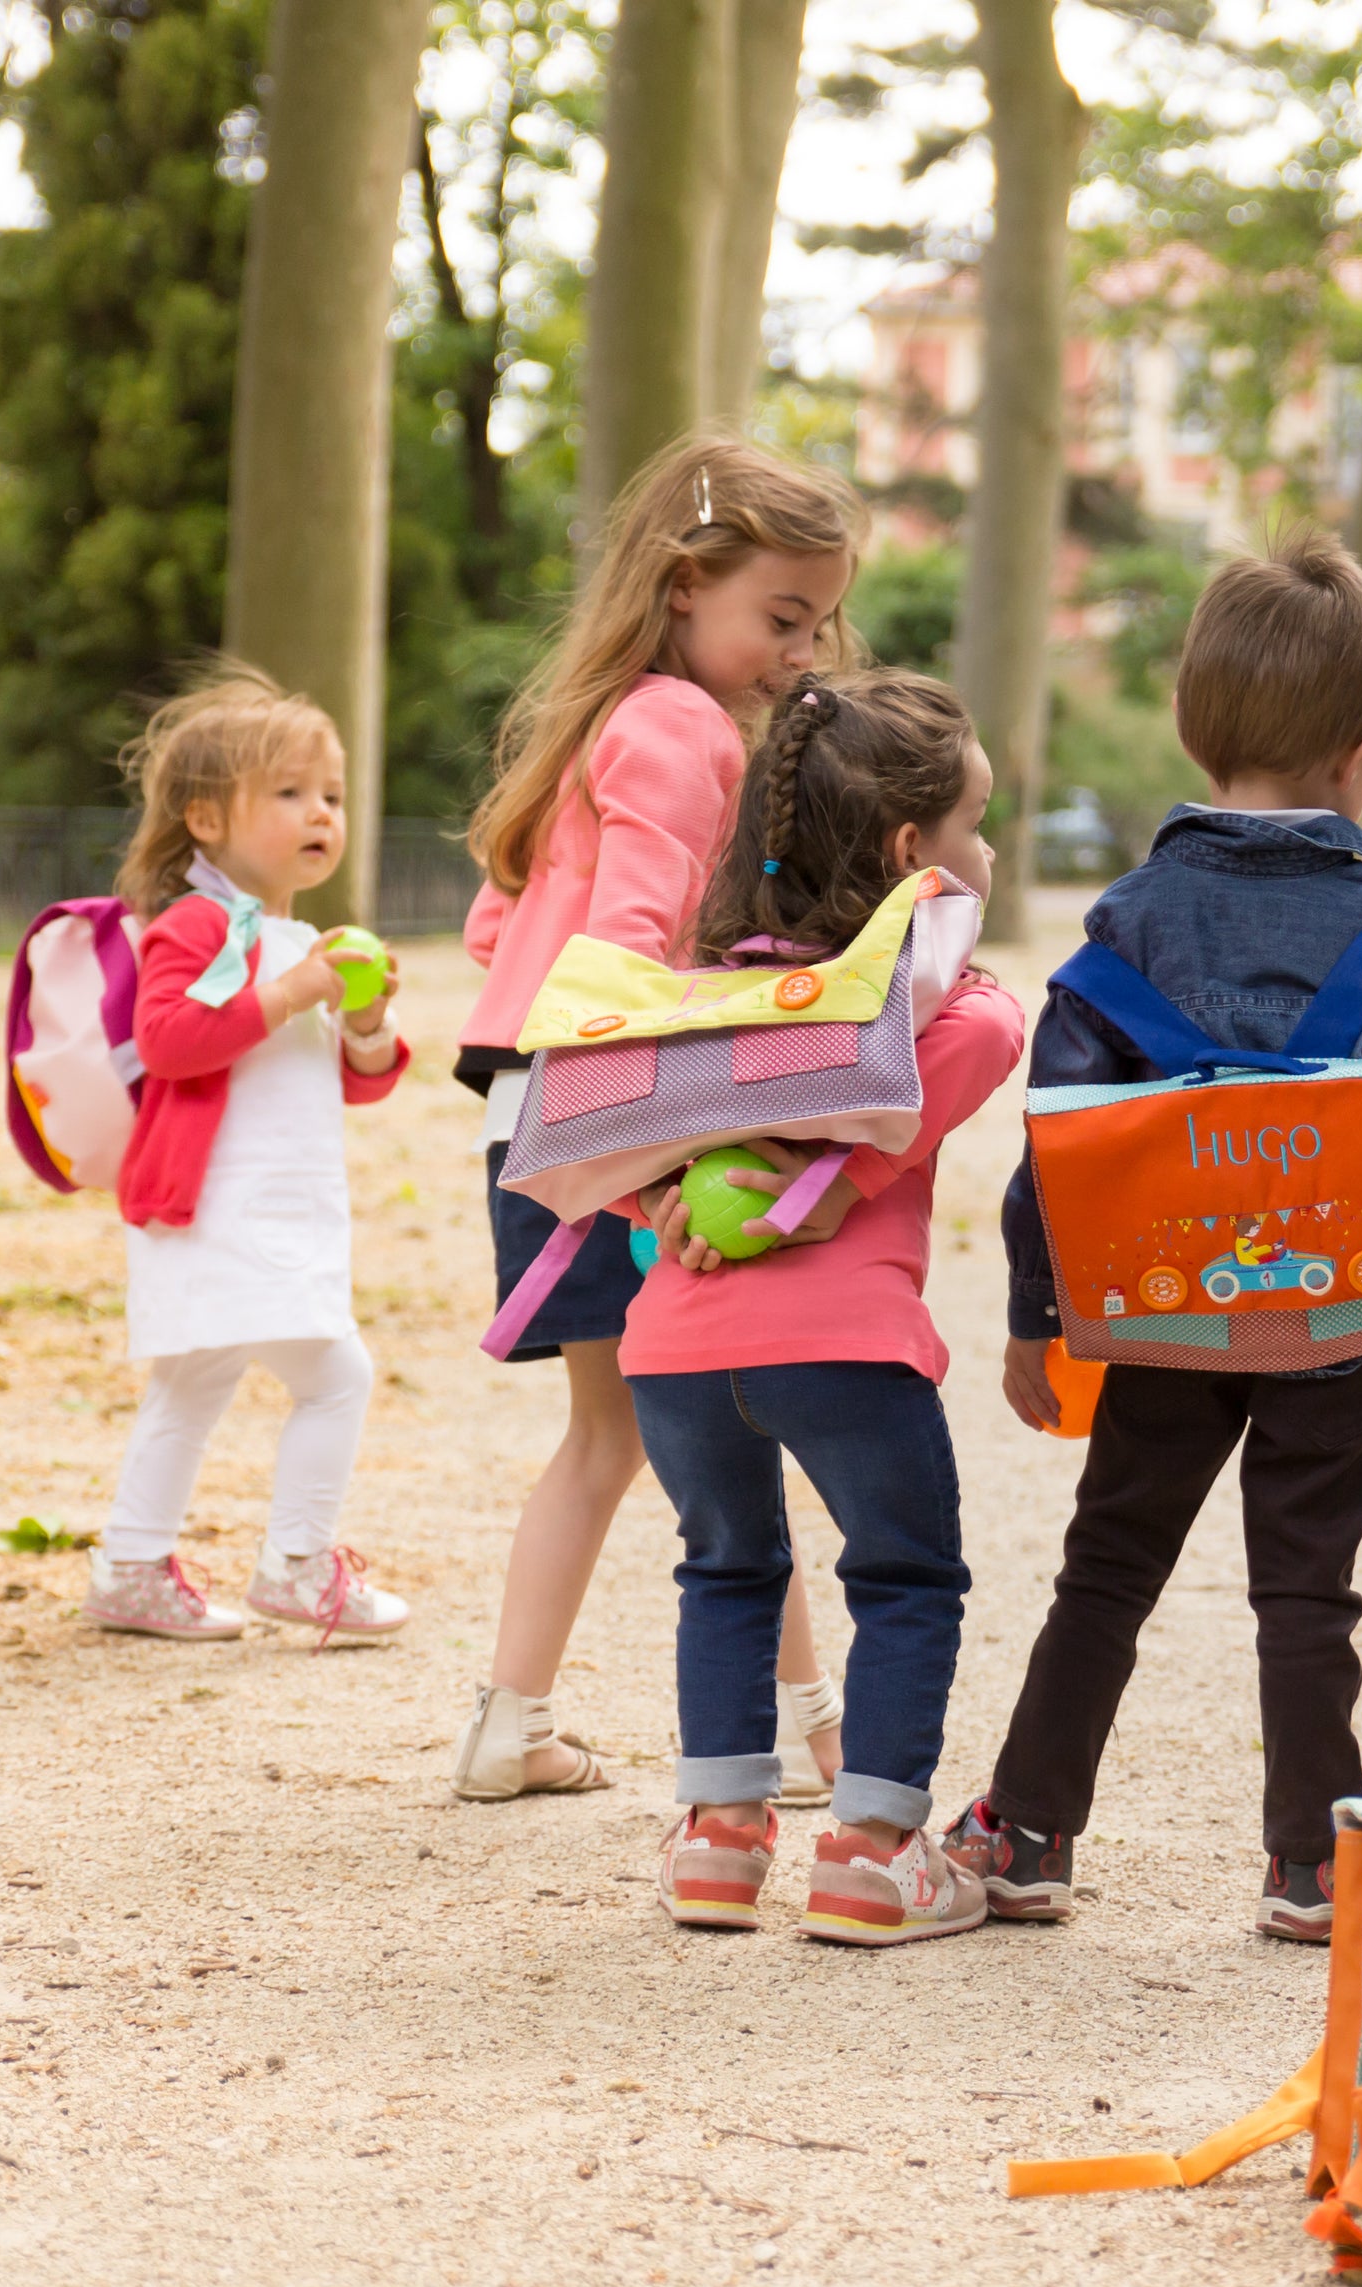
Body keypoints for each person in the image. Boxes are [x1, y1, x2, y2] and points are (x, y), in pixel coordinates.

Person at [952, 533, 1362, 1942]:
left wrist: (1039, 1316)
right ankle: (1315, 1864)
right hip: (1339, 1312)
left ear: (1197, 732)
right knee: (1308, 1587)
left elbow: (1055, 1139)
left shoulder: (1132, 921)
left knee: (1110, 1569)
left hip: (1160, 1313)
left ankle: (1027, 1828)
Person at [449, 435, 861, 1806]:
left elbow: (499, 924)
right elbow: (630, 949)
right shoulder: (684, 729)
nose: (803, 650)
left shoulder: (604, 719)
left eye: (818, 622)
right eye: (781, 618)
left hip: (533, 1106)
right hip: (609, 1116)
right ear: (685, 586)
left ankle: (518, 1723)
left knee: (625, 1436)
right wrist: (682, 1139)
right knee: (732, 1422)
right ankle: (815, 1738)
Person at [628, 672, 1030, 1943]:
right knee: (907, 1576)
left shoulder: (706, 999)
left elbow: (602, 1121)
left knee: (726, 1573)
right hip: (844, 1346)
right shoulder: (919, 1011)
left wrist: (659, 1206)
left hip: (677, 1351)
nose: (989, 848)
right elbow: (990, 1031)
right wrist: (845, 1184)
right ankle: (867, 1852)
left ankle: (719, 1839)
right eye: (974, 823)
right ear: (915, 855)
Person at [88, 667, 414, 1644]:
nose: (319, 813)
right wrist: (293, 990)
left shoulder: (300, 936)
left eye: (332, 795)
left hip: (274, 1208)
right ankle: (299, 1564)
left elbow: (356, 1080)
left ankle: (131, 1568)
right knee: (336, 1377)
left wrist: (363, 1019)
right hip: (221, 1208)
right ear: (205, 818)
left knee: (192, 1386)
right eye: (289, 793)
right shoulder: (195, 926)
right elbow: (171, 1042)